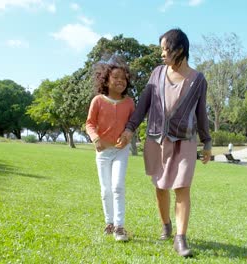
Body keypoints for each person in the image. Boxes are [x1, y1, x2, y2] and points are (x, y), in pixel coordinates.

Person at [117, 28, 212, 257]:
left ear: (179, 50)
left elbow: (201, 114)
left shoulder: (198, 80)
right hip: (157, 138)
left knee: (182, 187)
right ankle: (166, 224)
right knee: (160, 188)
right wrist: (130, 128)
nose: (162, 54)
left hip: (185, 140)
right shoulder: (157, 73)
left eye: (166, 49)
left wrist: (207, 142)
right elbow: (143, 106)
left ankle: (180, 238)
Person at [86, 54, 135, 242]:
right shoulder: (97, 100)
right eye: (115, 78)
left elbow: (132, 124)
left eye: (123, 79)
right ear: (106, 80)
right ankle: (109, 223)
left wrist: (128, 135)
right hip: (103, 152)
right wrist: (95, 137)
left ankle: (120, 227)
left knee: (117, 187)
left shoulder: (129, 103)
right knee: (105, 190)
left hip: (121, 151)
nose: (120, 81)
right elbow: (90, 123)